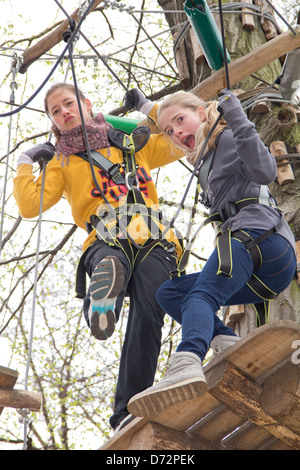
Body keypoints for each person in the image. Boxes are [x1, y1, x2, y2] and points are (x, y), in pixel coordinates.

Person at [13, 83, 185, 431]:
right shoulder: (61, 162)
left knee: (152, 313)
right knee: (112, 263)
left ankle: (129, 411)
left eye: (68, 104)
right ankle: (101, 300)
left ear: (87, 104)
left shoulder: (132, 143)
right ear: (54, 123)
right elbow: (30, 205)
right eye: (55, 111)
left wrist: (152, 109)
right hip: (106, 235)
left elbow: (179, 140)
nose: (64, 112)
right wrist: (25, 162)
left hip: (153, 237)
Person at [127, 89, 297, 419]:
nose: (176, 133)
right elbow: (167, 115)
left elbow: (265, 172)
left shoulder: (229, 137)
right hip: (268, 265)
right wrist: (144, 104)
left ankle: (187, 359)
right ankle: (227, 342)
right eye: (169, 131)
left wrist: (236, 116)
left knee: (200, 296)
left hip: (256, 237)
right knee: (171, 293)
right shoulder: (207, 157)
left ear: (205, 113)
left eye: (180, 121)